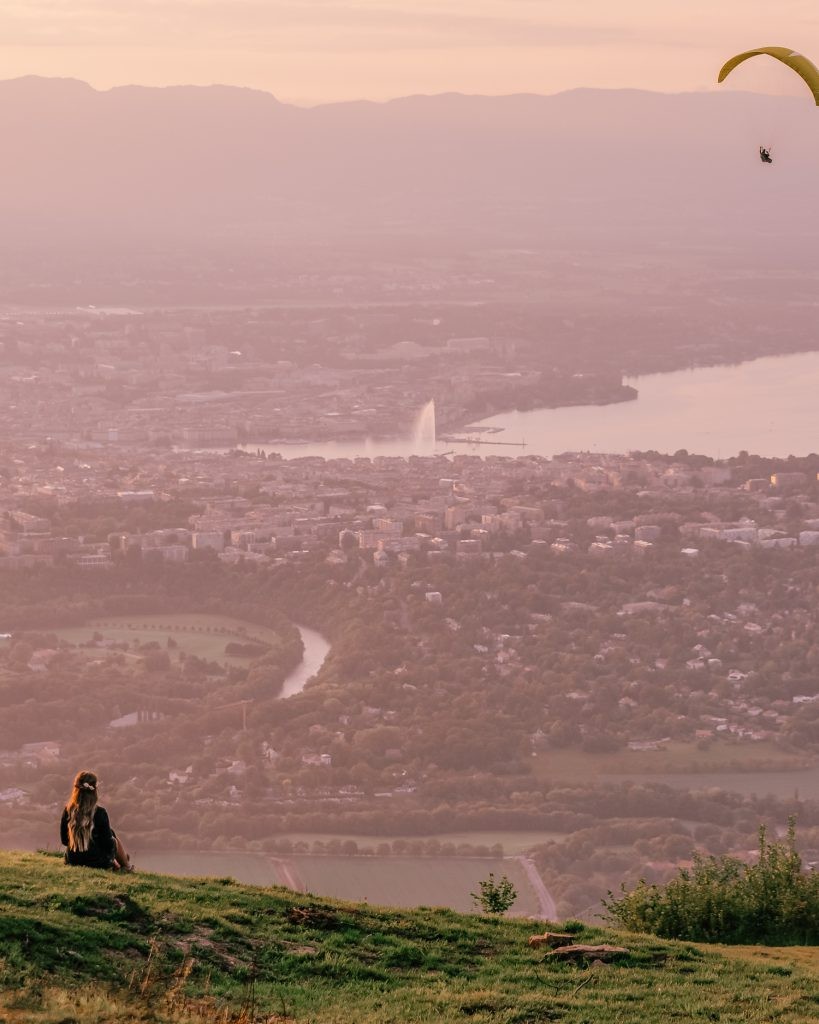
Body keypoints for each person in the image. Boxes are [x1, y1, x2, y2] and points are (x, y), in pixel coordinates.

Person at [60, 770, 133, 871]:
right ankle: (126, 865)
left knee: (111, 832)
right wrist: (113, 852)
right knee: (113, 839)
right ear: (94, 791)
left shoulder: (68, 811)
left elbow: (64, 840)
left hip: (73, 860)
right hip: (96, 862)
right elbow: (107, 843)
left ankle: (120, 861)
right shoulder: (100, 813)